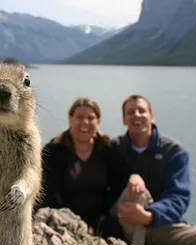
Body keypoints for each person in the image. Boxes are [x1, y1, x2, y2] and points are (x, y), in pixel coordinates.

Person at [108, 94, 196, 245]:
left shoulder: (173, 152)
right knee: (136, 193)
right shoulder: (113, 148)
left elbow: (179, 197)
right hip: (124, 224)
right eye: (130, 112)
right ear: (124, 120)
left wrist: (149, 216)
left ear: (152, 117)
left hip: (162, 227)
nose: (136, 115)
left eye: (142, 111)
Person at [35, 97, 130, 235]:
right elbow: (48, 193)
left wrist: (135, 177)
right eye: (79, 117)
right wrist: (74, 222)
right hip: (61, 218)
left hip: (100, 219)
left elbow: (120, 183)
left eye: (91, 118)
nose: (85, 122)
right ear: (70, 119)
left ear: (98, 121)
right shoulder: (54, 151)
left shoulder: (108, 149)